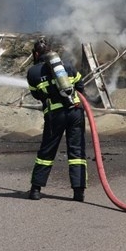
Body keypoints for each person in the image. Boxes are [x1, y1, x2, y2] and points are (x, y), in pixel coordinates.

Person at [26, 38, 87, 201]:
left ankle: (35, 190)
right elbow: (80, 87)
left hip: (54, 115)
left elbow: (36, 95)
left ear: (36, 54)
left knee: (47, 151)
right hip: (75, 112)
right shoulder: (67, 66)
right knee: (77, 151)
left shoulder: (33, 72)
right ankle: (78, 192)